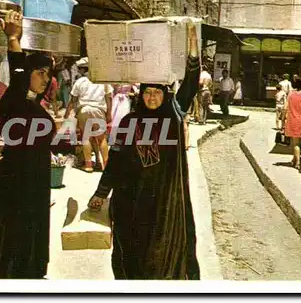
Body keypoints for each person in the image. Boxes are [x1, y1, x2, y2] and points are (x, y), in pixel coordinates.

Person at [87, 21, 201, 280]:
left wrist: (192, 44)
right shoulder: (129, 122)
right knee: (132, 256)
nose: (151, 98)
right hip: (132, 201)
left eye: (156, 93)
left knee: (161, 259)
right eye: (147, 93)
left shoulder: (173, 115)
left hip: (163, 205)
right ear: (141, 95)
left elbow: (191, 84)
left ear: (165, 94)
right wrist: (101, 193)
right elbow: (115, 162)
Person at [0, 10, 55, 279]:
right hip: (13, 184)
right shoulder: (13, 100)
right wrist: (13, 38)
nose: (45, 79)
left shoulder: (35, 106)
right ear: (27, 74)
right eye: (40, 73)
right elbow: (18, 71)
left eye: (48, 74)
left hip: (34, 184)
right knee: (7, 253)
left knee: (28, 250)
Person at [64, 58, 113, 172]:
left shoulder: (80, 82)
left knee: (86, 138)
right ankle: (106, 165)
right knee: (101, 139)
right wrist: (109, 113)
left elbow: (73, 99)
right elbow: (109, 97)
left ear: (83, 70)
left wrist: (67, 113)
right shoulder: (103, 81)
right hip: (98, 111)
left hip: (84, 110)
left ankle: (89, 165)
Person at [284, 77, 301, 170]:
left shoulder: (290, 95)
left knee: (295, 144)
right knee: (300, 142)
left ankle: (298, 163)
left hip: (293, 121)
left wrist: (282, 118)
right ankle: (294, 159)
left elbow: (285, 108)